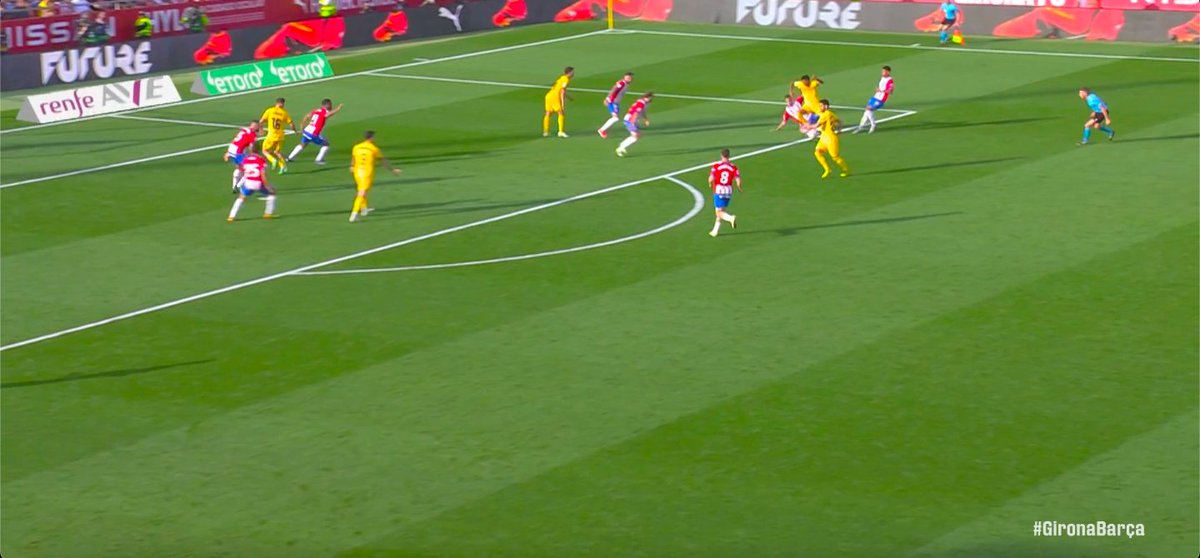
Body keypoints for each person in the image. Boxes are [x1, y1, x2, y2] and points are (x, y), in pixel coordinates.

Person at [348, 131, 401, 223]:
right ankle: (354, 214)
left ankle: (364, 209)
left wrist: (352, 166)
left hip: (357, 171)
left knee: (361, 190)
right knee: (362, 192)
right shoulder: (374, 149)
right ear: (372, 138)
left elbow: (353, 158)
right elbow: (383, 161)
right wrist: (393, 170)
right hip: (366, 173)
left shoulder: (356, 147)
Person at [227, 144, 277, 222]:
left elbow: (242, 169)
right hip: (259, 183)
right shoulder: (261, 160)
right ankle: (268, 213)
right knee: (272, 194)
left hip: (249, 183)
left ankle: (231, 216)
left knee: (241, 198)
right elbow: (263, 174)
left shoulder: (246, 160)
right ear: (259, 150)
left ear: (250, 150)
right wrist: (267, 186)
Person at [287, 98, 343, 165]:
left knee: (303, 144)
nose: (331, 106)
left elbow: (307, 116)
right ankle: (318, 160)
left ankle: (289, 158)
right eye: (330, 105)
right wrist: (338, 109)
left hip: (307, 131)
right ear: (327, 105)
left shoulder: (316, 110)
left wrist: (302, 124)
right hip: (313, 133)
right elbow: (328, 114)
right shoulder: (325, 112)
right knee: (326, 144)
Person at [708, 148, 743, 237]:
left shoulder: (716, 166)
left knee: (718, 212)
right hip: (728, 191)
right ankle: (715, 230)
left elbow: (711, 178)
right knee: (721, 211)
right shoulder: (733, 167)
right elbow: (738, 180)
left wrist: (710, 184)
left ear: (721, 156)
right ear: (729, 156)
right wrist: (739, 187)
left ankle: (730, 218)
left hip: (719, 190)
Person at [814, 99, 850, 179]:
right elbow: (840, 121)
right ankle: (827, 169)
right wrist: (840, 130)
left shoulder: (827, 114)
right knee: (817, 152)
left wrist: (806, 126)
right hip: (823, 138)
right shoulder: (828, 114)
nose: (819, 107)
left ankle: (845, 170)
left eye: (821, 106)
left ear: (826, 106)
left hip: (831, 139)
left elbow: (816, 125)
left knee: (835, 157)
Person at [259, 97, 296, 173]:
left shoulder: (270, 110)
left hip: (271, 135)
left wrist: (261, 130)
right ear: (283, 103)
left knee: (264, 150)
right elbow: (291, 123)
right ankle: (283, 167)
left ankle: (273, 160)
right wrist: (295, 131)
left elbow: (261, 121)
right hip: (280, 136)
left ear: (276, 103)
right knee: (277, 152)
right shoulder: (284, 113)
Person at [224, 121, 260, 193]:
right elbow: (251, 146)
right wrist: (253, 155)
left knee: (240, 168)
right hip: (238, 152)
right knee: (250, 169)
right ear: (255, 126)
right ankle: (238, 186)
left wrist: (228, 152)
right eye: (257, 126)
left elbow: (236, 139)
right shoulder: (252, 134)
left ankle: (234, 186)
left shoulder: (244, 129)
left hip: (232, 149)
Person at [856, 65, 893, 134]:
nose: (882, 72)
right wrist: (878, 90)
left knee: (868, 109)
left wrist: (880, 90)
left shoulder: (890, 80)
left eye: (884, 71)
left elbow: (890, 91)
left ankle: (873, 125)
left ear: (888, 72)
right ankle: (861, 127)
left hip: (881, 99)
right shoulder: (882, 78)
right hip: (875, 97)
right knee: (866, 112)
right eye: (882, 71)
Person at [597, 71, 633, 138]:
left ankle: (602, 130)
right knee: (615, 118)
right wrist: (607, 98)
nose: (630, 79)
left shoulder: (625, 84)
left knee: (615, 118)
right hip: (612, 102)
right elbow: (614, 89)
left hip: (615, 103)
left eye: (630, 78)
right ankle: (601, 130)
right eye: (628, 78)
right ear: (625, 77)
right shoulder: (622, 83)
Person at [615, 92, 652, 157]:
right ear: (646, 97)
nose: (650, 99)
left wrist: (645, 119)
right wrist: (632, 122)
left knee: (637, 136)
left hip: (632, 120)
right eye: (649, 98)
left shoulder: (641, 102)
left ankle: (622, 146)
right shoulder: (641, 104)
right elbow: (636, 113)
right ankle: (620, 148)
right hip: (630, 120)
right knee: (636, 136)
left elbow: (642, 112)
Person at [543, 66, 573, 138]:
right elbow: (562, 91)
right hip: (555, 97)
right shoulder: (566, 80)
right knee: (561, 113)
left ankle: (545, 131)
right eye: (572, 72)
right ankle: (561, 132)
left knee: (548, 113)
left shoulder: (562, 78)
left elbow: (559, 89)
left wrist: (568, 97)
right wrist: (563, 104)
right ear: (569, 73)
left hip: (549, 96)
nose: (573, 74)